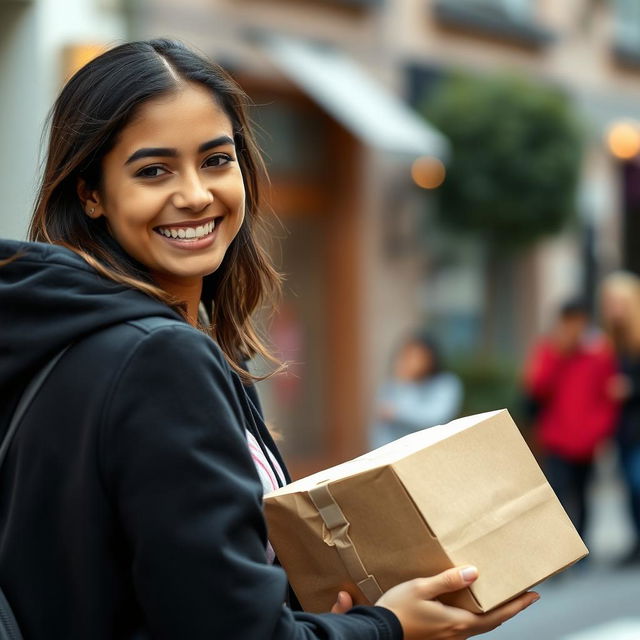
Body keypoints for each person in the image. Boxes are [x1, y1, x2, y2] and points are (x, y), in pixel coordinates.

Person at [0, 39, 537, 639]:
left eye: (215, 160)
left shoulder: (53, 338)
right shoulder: (159, 357)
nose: (196, 194)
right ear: (91, 194)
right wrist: (387, 627)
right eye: (153, 170)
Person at [523, 299, 619, 539]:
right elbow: (537, 388)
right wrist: (558, 355)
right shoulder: (549, 350)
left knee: (583, 492)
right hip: (557, 438)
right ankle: (561, 543)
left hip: (586, 441)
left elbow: (607, 396)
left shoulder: (599, 354)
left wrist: (599, 431)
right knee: (558, 491)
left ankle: (582, 542)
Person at [601, 272, 640, 565]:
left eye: (618, 301)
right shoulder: (609, 342)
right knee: (628, 484)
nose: (613, 307)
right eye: (608, 301)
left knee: (637, 482)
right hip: (623, 428)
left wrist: (631, 389)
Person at [371, 333, 463, 449]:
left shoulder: (445, 383)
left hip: (431, 450)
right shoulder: (391, 385)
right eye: (406, 356)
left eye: (417, 356)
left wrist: (398, 410)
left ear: (431, 357)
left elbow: (435, 418)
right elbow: (381, 428)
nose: (411, 362)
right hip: (396, 452)